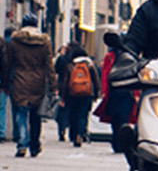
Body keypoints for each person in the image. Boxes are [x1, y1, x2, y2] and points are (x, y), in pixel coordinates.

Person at [5, 20, 57, 158]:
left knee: (21, 113)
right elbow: (49, 65)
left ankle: (22, 143)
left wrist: (5, 83)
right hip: (38, 82)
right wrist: (53, 85)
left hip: (19, 80)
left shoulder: (15, 42)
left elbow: (8, 63)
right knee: (35, 115)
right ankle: (34, 145)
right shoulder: (44, 42)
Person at [56, 36, 98, 148]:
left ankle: (73, 135)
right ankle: (80, 134)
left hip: (72, 94)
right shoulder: (89, 65)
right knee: (83, 115)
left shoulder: (71, 65)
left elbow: (65, 82)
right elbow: (95, 80)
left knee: (73, 115)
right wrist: (96, 94)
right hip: (86, 93)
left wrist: (63, 97)